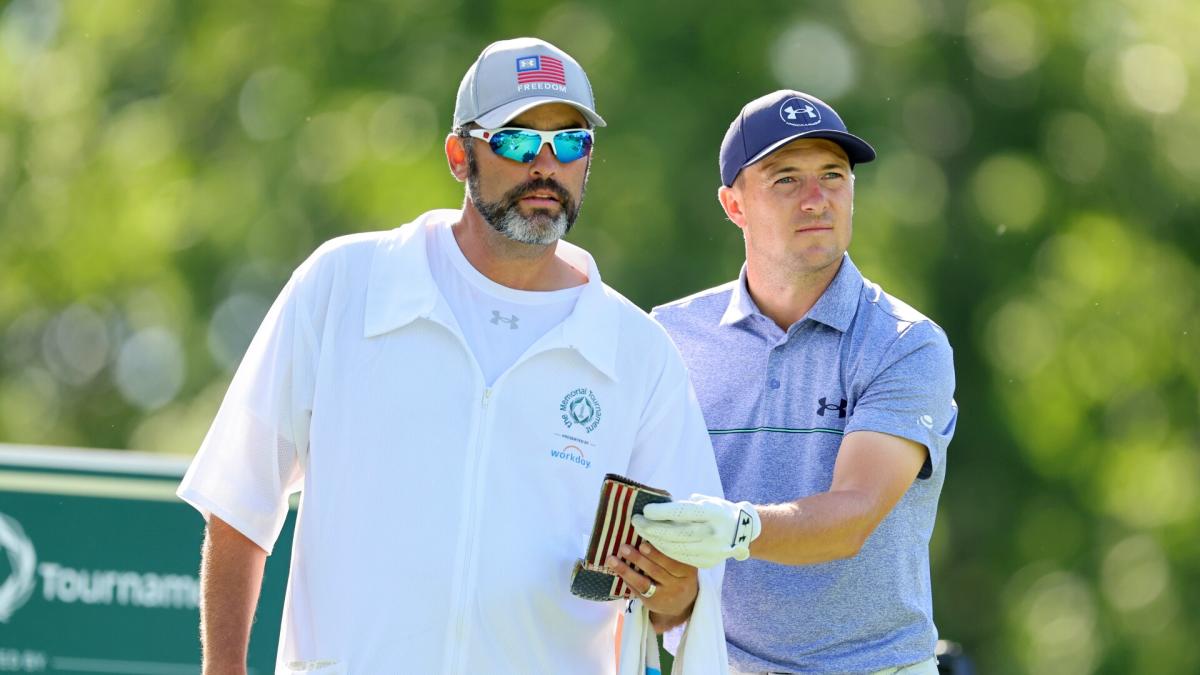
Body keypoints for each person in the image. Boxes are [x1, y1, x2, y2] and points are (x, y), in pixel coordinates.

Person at [177, 37, 728, 674]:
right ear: (459, 155)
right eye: (519, 141)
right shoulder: (342, 285)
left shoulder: (639, 352)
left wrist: (675, 592)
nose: (545, 165)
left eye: (570, 142)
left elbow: (693, 592)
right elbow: (240, 501)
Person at [636, 90, 958, 675]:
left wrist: (737, 528)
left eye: (833, 176)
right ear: (733, 205)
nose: (817, 200)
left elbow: (853, 516)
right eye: (786, 179)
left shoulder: (905, 342)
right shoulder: (669, 335)